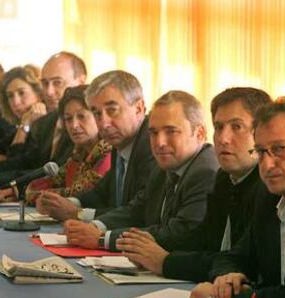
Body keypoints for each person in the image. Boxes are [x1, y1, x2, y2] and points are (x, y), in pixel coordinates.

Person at [116, 88, 271, 281]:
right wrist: (146, 249)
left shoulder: (269, 189)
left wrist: (166, 261)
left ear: (262, 134)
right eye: (219, 127)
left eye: (237, 127)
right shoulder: (225, 178)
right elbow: (201, 239)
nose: (223, 138)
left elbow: (243, 263)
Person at [63, 90, 219, 250]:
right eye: (153, 133)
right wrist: (95, 227)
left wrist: (103, 239)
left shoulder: (206, 172)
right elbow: (136, 211)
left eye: (171, 131)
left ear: (199, 133)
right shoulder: (164, 166)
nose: (160, 142)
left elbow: (180, 233)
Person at [190, 98, 285, 298]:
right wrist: (227, 280)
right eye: (261, 151)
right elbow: (231, 257)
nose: (267, 164)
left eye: (279, 149)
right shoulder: (267, 198)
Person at [36, 70, 155, 223]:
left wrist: (78, 214)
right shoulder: (120, 142)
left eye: (112, 110)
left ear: (138, 108)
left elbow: (139, 212)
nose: (104, 124)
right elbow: (101, 193)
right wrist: (66, 203)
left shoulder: (152, 146)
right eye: (97, 114)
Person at [0, 51, 87, 188]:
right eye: (45, 83)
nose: (49, 92)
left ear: (81, 80)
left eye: (57, 83)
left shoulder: (88, 123)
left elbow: (58, 174)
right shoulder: (47, 122)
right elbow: (29, 162)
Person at [1, 85, 112, 202]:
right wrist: (20, 192)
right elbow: (46, 182)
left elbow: (78, 193)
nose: (74, 125)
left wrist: (29, 194)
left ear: (97, 116)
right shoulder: (78, 155)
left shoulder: (108, 153)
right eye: (68, 119)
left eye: (81, 116)